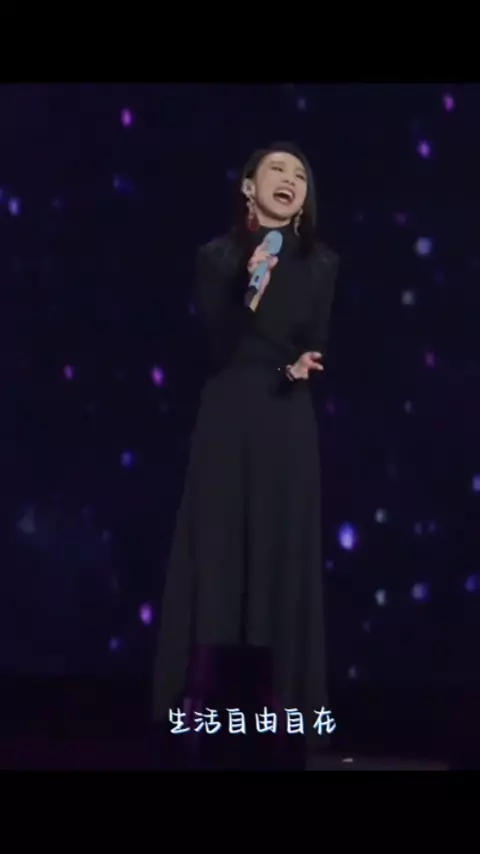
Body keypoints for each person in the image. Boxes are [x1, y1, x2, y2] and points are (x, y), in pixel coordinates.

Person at [153, 142, 339, 768]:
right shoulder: (218, 257)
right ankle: (201, 707)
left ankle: (282, 712)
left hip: (286, 417)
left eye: (300, 174)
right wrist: (249, 286)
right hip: (227, 414)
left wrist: (302, 365)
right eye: (277, 170)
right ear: (247, 186)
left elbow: (316, 340)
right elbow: (215, 343)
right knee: (218, 551)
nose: (290, 180)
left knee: (281, 553)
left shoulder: (322, 263)